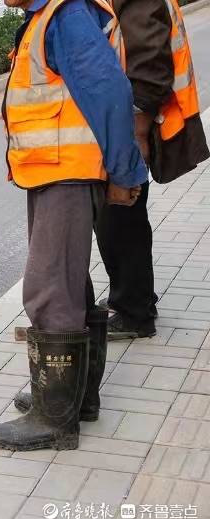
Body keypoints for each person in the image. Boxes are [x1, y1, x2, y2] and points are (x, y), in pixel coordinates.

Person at [0, 0, 148, 451]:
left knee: (49, 288)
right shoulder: (49, 17)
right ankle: (77, 400)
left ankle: (55, 419)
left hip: (67, 173)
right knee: (68, 284)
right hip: (52, 171)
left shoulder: (66, 15)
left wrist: (125, 172)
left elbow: (110, 94)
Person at [96, 0, 209, 340]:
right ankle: (133, 299)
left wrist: (138, 126)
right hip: (121, 119)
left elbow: (147, 57)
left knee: (119, 216)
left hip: (126, 121)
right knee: (118, 216)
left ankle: (133, 313)